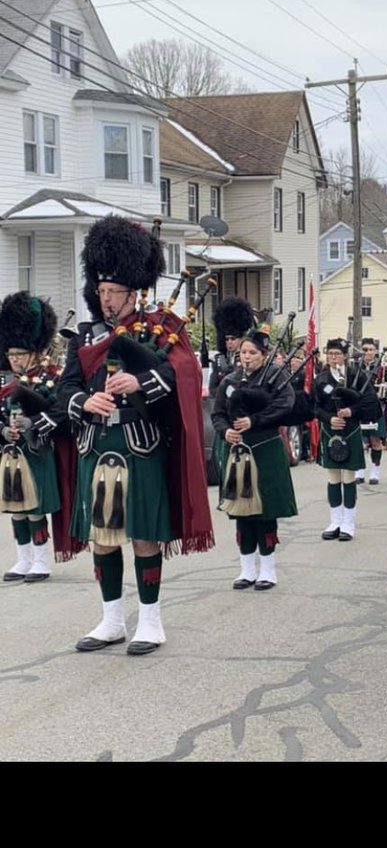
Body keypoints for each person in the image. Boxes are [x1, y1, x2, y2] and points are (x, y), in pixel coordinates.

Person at [57, 215, 214, 655]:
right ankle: (111, 621)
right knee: (102, 538)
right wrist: (84, 403)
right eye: (101, 291)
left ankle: (150, 621)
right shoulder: (84, 337)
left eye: (114, 292)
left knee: (144, 535)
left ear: (133, 290)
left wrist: (140, 382)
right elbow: (65, 389)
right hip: (95, 445)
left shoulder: (158, 330)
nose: (106, 300)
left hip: (139, 444)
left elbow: (183, 373)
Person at [212, 327, 297, 589]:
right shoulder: (230, 381)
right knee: (241, 512)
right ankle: (247, 569)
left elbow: (286, 405)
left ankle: (268, 570)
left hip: (266, 449)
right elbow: (217, 414)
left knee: (265, 511)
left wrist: (255, 420)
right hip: (237, 451)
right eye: (243, 352)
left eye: (252, 352)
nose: (246, 357)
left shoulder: (275, 377)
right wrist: (225, 431)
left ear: (263, 354)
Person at [0, 293, 62, 583]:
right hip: (12, 453)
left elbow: (56, 412)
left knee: (35, 510)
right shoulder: (7, 386)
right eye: (11, 355)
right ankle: (23, 559)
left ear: (35, 354)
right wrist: (5, 431)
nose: (14, 360)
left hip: (37, 452)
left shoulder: (49, 380)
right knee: (16, 510)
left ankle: (41, 560)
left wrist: (30, 423)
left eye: (20, 355)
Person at [313, 338, 381, 542]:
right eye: (330, 353)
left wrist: (351, 411)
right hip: (330, 431)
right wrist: (329, 418)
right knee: (333, 477)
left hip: (350, 430)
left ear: (345, 356)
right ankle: (335, 521)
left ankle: (348, 524)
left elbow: (370, 402)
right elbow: (315, 407)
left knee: (348, 478)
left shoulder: (357, 376)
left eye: (337, 354)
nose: (333, 357)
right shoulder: (322, 378)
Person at [354, 338, 387, 485]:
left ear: (375, 351)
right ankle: (360, 471)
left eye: (370, 350)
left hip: (376, 407)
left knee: (375, 440)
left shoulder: (384, 367)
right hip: (360, 406)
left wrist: (386, 385)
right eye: (365, 350)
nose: (367, 352)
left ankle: (375, 471)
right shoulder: (355, 367)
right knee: (360, 441)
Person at [209, 297, 255, 396]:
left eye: (233, 339)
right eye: (227, 339)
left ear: (241, 339)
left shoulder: (248, 358)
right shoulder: (219, 360)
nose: (229, 342)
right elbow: (212, 388)